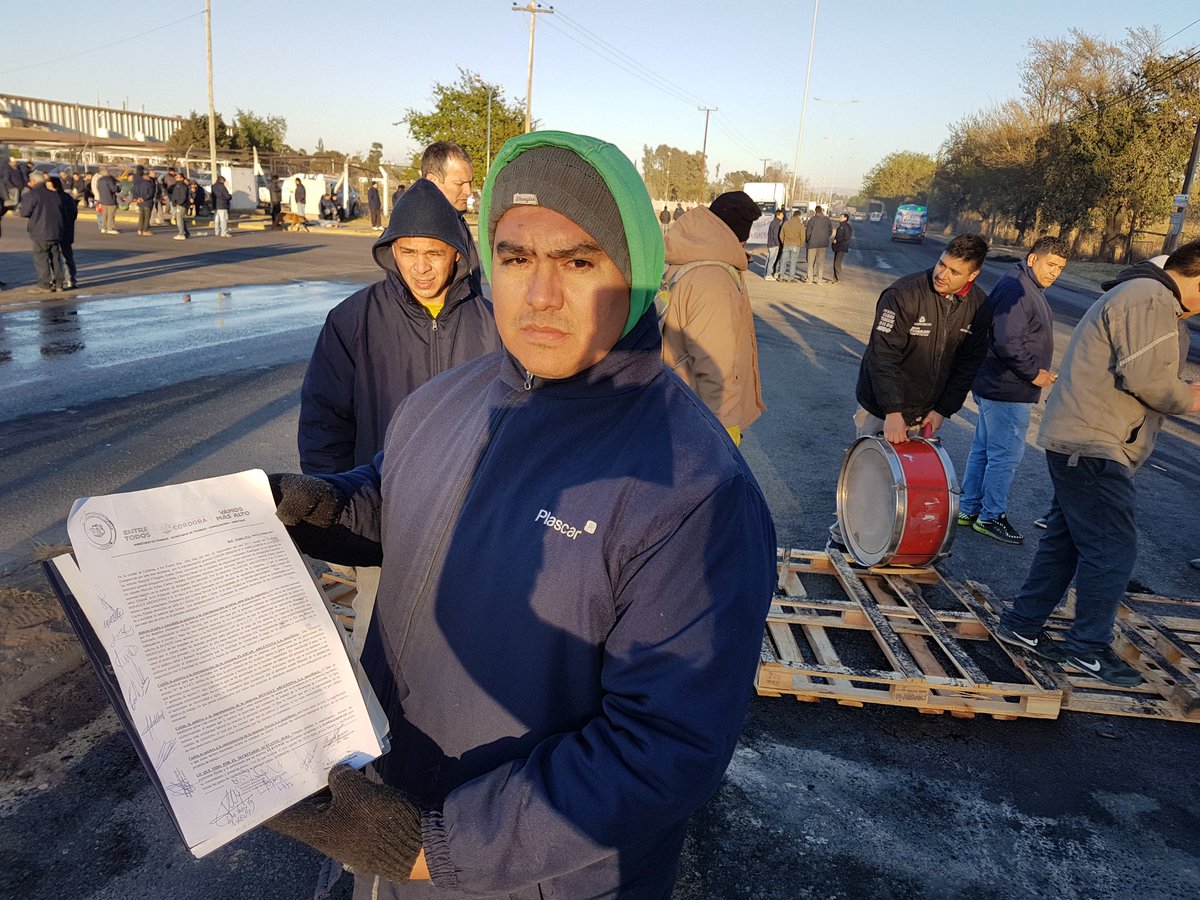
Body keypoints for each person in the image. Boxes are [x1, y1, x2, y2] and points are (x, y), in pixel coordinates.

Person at [265, 130, 776, 899]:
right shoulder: (445, 399)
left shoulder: (690, 486)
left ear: (633, 272)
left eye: (577, 261)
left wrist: (430, 847)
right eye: (514, 258)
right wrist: (322, 505)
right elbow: (397, 500)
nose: (539, 296)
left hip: (534, 876)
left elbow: (662, 746)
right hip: (390, 816)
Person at [997, 241, 1200, 687]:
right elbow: (1150, 380)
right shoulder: (1149, 297)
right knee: (1113, 549)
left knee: (1067, 541)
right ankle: (1086, 649)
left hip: (1083, 438)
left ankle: (1021, 624)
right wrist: (1190, 396)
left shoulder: (1148, 296)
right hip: (1093, 443)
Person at [298, 176, 501, 476]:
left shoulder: (496, 323)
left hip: (467, 507)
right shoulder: (351, 320)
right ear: (392, 250)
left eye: (434, 253)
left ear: (457, 253)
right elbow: (323, 425)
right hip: (377, 503)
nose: (421, 268)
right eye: (408, 252)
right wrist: (338, 501)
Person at [831, 234, 991, 548]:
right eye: (942, 264)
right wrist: (892, 412)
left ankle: (890, 546)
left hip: (927, 406)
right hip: (881, 405)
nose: (942, 274)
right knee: (869, 476)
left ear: (972, 275)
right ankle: (845, 538)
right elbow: (883, 356)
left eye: (954, 271)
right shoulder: (903, 294)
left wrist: (943, 409)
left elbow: (968, 364)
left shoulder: (980, 306)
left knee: (909, 484)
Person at [958, 236, 1069, 544]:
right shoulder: (1017, 288)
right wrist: (1034, 373)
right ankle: (991, 516)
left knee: (985, 450)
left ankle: (969, 509)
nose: (1054, 273)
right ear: (1032, 259)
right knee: (1005, 454)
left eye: (1060, 268)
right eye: (1050, 265)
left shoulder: (1028, 287)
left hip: (999, 384)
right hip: (1006, 387)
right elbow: (1007, 340)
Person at [661, 190, 766, 445]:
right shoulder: (713, 280)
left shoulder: (693, 252)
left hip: (682, 404)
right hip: (700, 416)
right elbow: (715, 366)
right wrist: (725, 431)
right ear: (739, 237)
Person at [421, 142, 480, 287]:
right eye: (460, 183)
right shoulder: (420, 228)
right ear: (432, 181)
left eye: (469, 183)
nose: (468, 191)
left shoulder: (456, 219)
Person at [17, 172, 65, 294]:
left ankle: (45, 285)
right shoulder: (55, 195)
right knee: (56, 257)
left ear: (33, 181)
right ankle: (59, 284)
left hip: (40, 231)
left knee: (41, 257)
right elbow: (62, 212)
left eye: (29, 181)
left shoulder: (32, 194)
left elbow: (25, 212)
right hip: (55, 231)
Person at [47, 175, 78, 290]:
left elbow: (72, 214)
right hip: (52, 232)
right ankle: (55, 279)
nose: (48, 189)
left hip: (64, 231)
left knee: (66, 256)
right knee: (53, 257)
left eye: (50, 187)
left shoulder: (65, 198)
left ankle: (71, 278)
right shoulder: (49, 198)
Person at [805, 204, 832, 284]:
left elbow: (808, 232)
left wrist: (808, 240)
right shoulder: (827, 220)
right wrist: (825, 237)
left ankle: (810, 279)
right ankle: (819, 279)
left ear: (815, 211)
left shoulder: (812, 220)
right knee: (820, 263)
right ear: (822, 211)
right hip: (823, 244)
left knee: (810, 262)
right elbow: (830, 231)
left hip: (812, 244)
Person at [778, 206, 806, 282]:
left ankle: (781, 276)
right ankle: (791, 278)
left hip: (786, 244)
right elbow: (803, 236)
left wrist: (783, 242)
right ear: (799, 216)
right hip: (795, 245)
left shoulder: (786, 223)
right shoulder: (800, 225)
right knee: (793, 262)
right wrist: (801, 244)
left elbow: (781, 234)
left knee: (784, 261)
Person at [95, 166, 121, 235]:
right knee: (111, 214)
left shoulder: (99, 180)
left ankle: (103, 227)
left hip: (103, 199)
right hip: (110, 199)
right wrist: (118, 187)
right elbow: (114, 189)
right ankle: (110, 228)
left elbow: (98, 188)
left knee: (104, 214)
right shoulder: (109, 180)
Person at [132, 166, 156, 235]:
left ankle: (139, 229)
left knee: (141, 216)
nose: (154, 174)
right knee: (147, 217)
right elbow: (150, 193)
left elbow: (135, 190)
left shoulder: (139, 183)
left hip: (140, 202)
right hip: (147, 202)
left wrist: (137, 198)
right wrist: (144, 198)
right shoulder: (151, 184)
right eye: (153, 173)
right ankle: (145, 230)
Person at [831, 212, 852, 283]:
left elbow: (847, 237)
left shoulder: (846, 227)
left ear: (845, 218)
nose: (839, 218)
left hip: (842, 247)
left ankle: (839, 278)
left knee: (837, 263)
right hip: (838, 246)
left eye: (841, 217)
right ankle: (835, 278)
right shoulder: (841, 226)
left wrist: (837, 240)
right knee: (835, 263)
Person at [764, 208, 785, 280]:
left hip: (770, 244)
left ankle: (766, 273)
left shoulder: (773, 222)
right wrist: (778, 244)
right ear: (778, 215)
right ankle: (768, 274)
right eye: (782, 215)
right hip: (774, 245)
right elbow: (775, 235)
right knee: (772, 260)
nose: (783, 216)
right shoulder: (776, 223)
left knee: (769, 259)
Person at [169, 176, 190, 240]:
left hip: (181, 205)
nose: (176, 178)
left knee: (179, 219)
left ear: (182, 178)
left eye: (178, 177)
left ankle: (181, 234)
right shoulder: (177, 185)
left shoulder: (183, 186)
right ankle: (186, 233)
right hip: (177, 204)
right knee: (181, 219)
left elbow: (183, 196)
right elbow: (174, 195)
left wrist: (179, 203)